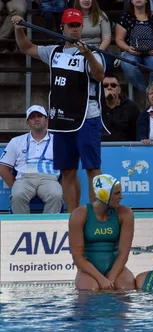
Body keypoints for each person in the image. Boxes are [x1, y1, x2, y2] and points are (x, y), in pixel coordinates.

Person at [12, 9, 105, 213]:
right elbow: (27, 48)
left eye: (78, 25)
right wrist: (19, 29)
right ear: (62, 27)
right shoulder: (53, 51)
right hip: (61, 120)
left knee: (92, 170)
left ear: (82, 27)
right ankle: (74, 216)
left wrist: (88, 55)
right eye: (70, 25)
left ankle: (97, 215)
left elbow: (100, 76)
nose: (74, 29)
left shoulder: (94, 52)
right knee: (67, 171)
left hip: (86, 117)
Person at [69, 174, 135, 290]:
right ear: (104, 195)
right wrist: (101, 279)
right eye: (117, 193)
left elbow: (124, 253)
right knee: (91, 291)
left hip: (116, 268)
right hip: (89, 271)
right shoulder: (79, 214)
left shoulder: (125, 214)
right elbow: (77, 256)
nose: (121, 196)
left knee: (125, 287)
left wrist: (111, 278)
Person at [0, 105, 63, 214]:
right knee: (17, 195)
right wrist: (15, 184)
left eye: (39, 116)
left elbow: (67, 168)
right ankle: (22, 229)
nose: (36, 119)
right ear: (27, 122)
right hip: (24, 178)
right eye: (32, 117)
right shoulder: (16, 141)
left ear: (47, 120)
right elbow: (3, 168)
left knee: (56, 195)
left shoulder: (57, 141)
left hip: (49, 178)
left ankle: (48, 229)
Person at [115, 0, 153, 93]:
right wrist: (127, 48)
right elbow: (119, 39)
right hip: (131, 52)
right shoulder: (125, 17)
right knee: (127, 65)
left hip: (151, 53)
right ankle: (147, 93)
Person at [102, 73, 140, 141]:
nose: (109, 88)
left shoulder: (131, 107)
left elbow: (137, 134)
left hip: (124, 148)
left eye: (113, 85)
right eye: (105, 86)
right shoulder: (96, 106)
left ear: (119, 89)